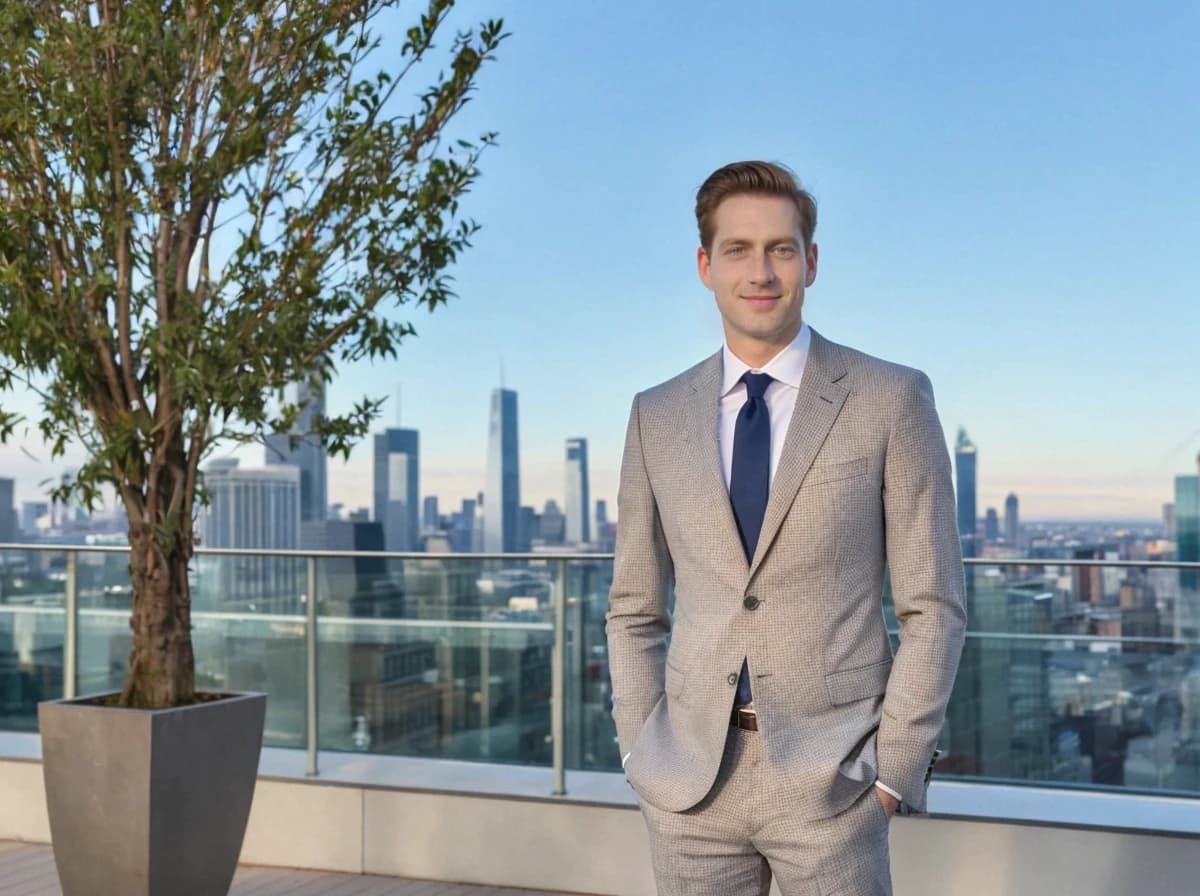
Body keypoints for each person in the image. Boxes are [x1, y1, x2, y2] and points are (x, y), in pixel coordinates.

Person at [606, 160, 967, 895]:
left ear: (811, 261)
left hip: (834, 783)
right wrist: (642, 750)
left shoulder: (891, 398)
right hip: (688, 784)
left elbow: (935, 606)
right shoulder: (656, 414)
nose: (761, 270)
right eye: (738, 249)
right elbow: (633, 607)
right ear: (706, 266)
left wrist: (892, 774)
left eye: (780, 248)